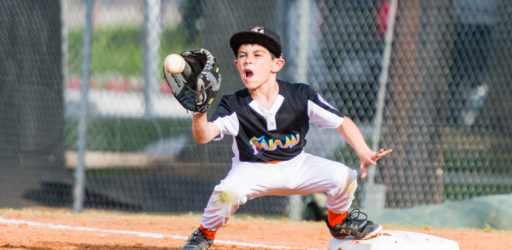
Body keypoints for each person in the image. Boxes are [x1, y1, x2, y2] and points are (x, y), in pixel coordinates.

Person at [182, 26, 392, 250]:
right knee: (227, 192)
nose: (247, 61)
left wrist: (363, 151)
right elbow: (204, 136)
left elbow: (342, 122)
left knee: (344, 176)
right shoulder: (233, 104)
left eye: (257, 55)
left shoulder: (300, 95)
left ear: (276, 64)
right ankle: (205, 234)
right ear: (236, 65)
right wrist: (199, 111)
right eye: (242, 56)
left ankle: (339, 222)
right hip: (252, 169)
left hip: (297, 165)